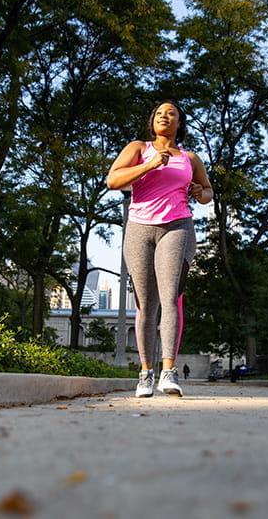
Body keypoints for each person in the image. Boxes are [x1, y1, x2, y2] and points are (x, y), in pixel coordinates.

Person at [107, 100, 213, 397]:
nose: (165, 117)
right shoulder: (139, 149)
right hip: (139, 229)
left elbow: (207, 191)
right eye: (159, 114)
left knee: (171, 298)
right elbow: (113, 180)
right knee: (145, 305)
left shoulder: (190, 158)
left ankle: (168, 372)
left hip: (177, 226)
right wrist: (150, 164)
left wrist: (200, 193)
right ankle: (145, 374)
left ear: (180, 124)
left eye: (172, 114)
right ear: (152, 121)